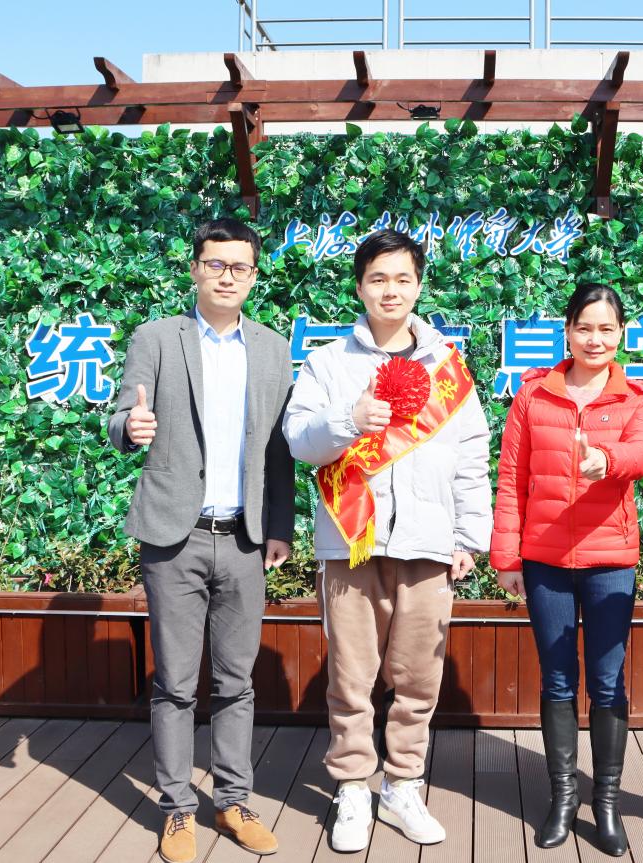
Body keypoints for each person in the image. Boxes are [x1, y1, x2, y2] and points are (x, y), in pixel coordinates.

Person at [282, 229, 493, 853]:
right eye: (378, 278)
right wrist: (348, 421)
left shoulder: (448, 367)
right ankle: (352, 787)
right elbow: (298, 441)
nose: (390, 290)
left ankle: (402, 785)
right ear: (359, 287)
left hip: (428, 545)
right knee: (351, 676)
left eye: (403, 278)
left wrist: (467, 536)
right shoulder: (326, 363)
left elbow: (472, 456)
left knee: (418, 677)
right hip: (351, 544)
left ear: (419, 286)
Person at [107, 217, 294, 863]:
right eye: (215, 264)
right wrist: (129, 425)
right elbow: (119, 412)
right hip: (174, 536)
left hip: (243, 539)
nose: (226, 276)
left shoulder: (271, 348)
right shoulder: (157, 337)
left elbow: (279, 449)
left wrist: (279, 526)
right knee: (176, 684)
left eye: (239, 266)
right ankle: (177, 809)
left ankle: (234, 801)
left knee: (237, 681)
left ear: (254, 275)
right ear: (194, 269)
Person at [490, 283, 643, 857]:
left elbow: (642, 453)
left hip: (609, 560)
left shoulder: (637, 398)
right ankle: (563, 797)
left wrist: (604, 460)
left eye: (606, 329)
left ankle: (605, 801)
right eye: (584, 327)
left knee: (608, 681)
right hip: (545, 560)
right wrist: (506, 557)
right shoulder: (533, 395)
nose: (594, 339)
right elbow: (511, 479)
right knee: (558, 679)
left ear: (621, 334)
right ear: (567, 331)